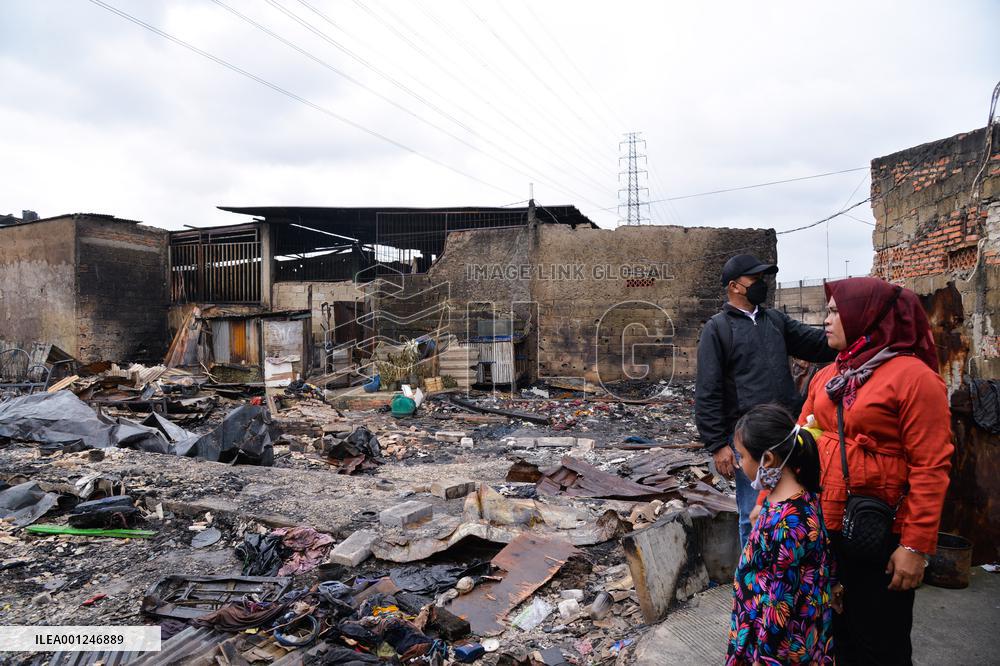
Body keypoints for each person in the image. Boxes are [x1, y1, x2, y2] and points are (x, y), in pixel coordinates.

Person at [803, 276, 953, 665]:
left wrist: (914, 547)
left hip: (881, 532)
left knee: (881, 642)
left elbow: (931, 467)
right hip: (828, 526)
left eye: (835, 312)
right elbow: (802, 440)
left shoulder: (914, 379)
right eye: (827, 312)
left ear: (865, 317)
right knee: (836, 636)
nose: (826, 320)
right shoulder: (829, 375)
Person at [696, 253, 836, 547]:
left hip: (788, 432)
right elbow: (708, 390)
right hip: (750, 439)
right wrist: (717, 444)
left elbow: (816, 344)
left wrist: (852, 335)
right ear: (734, 286)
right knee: (753, 512)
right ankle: (754, 571)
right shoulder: (718, 329)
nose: (762, 284)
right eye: (755, 279)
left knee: (797, 502)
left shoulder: (775, 321)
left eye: (763, 278)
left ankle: (791, 563)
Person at [726, 403, 836, 665]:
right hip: (763, 624)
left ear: (768, 459)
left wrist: (765, 657)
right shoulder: (795, 496)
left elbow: (779, 600)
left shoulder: (787, 523)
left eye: (742, 456)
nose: (740, 463)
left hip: (778, 644)